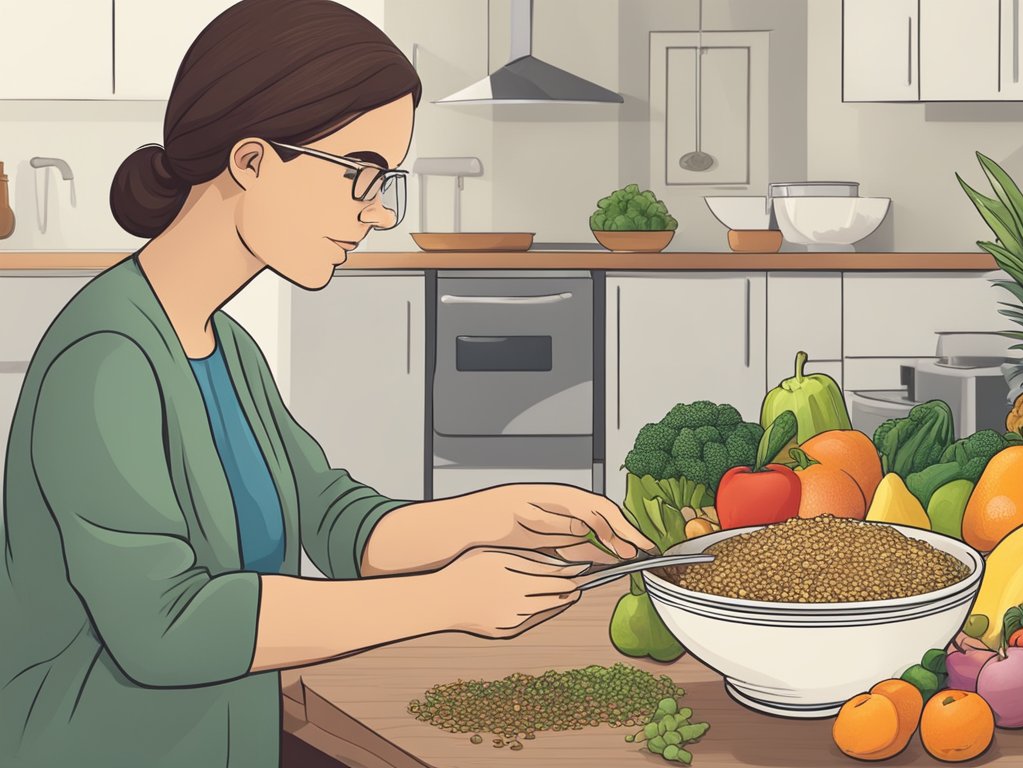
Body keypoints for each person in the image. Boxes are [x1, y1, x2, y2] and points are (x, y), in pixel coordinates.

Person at [0, 2, 654, 766]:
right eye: (361, 177)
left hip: (232, 738)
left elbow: (336, 523)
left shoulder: (225, 347)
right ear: (251, 161)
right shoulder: (106, 357)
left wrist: (498, 515)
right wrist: (445, 600)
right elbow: (165, 629)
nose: (378, 214)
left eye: (386, 183)